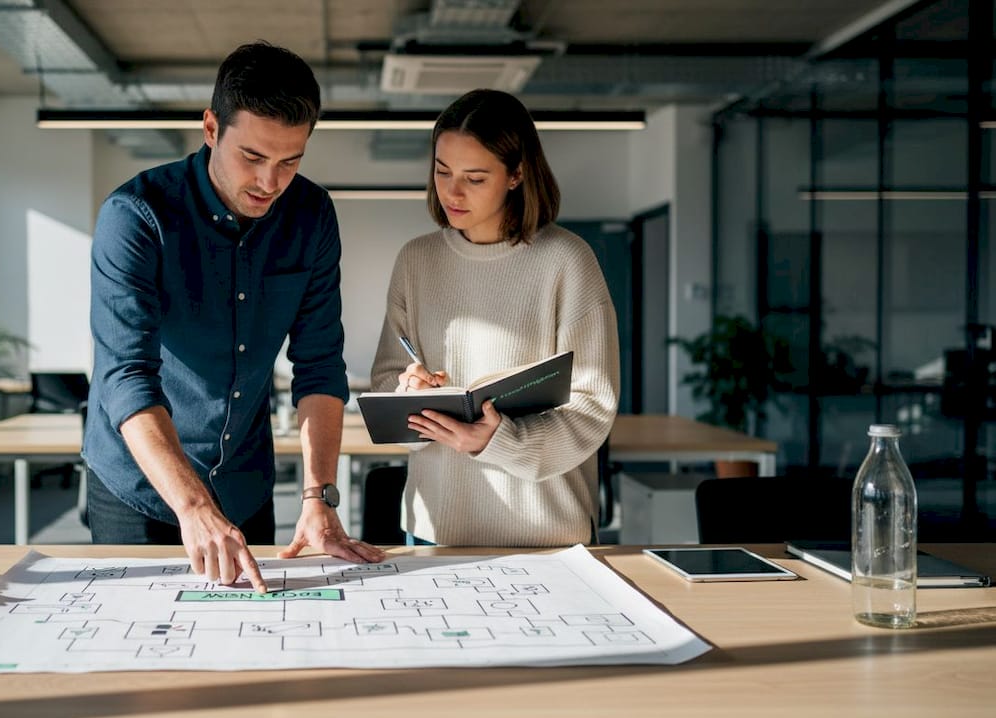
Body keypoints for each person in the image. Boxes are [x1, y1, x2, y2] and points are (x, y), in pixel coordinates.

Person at [84, 41, 385, 592]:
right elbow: (125, 375)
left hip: (244, 484)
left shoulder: (311, 216)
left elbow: (319, 364)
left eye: (289, 162)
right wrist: (194, 506)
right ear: (210, 128)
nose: (270, 182)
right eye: (252, 157)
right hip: (141, 486)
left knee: (255, 630)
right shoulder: (136, 217)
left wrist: (318, 496)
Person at [370, 89, 620, 546]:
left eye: (475, 178)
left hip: (546, 536)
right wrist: (408, 397)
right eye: (442, 171)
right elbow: (387, 382)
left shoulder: (567, 260)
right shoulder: (416, 261)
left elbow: (592, 407)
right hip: (434, 531)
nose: (452, 191)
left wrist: (498, 440)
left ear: (516, 174)